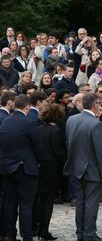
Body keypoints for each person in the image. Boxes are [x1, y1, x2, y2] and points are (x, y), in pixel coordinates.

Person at [63, 93, 102, 241]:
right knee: (91, 203)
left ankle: (80, 233)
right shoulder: (96, 124)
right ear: (94, 105)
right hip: (92, 169)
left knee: (81, 203)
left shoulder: (71, 119)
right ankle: (89, 234)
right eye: (99, 103)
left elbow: (68, 143)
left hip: (76, 167)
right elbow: (100, 152)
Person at [0, 95, 44, 241]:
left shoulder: (5, 122)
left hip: (7, 169)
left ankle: (10, 234)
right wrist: (36, 161)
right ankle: (26, 236)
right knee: (26, 204)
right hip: (26, 169)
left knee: (10, 203)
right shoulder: (29, 123)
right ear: (27, 107)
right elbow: (39, 147)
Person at [38, 103, 67, 240]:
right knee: (48, 202)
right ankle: (44, 231)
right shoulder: (56, 132)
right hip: (52, 170)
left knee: (41, 200)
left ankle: (38, 228)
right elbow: (59, 153)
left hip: (40, 168)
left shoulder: (39, 129)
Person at [0, 91, 15, 241]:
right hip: (5, 164)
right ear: (10, 102)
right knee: (4, 199)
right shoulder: (5, 119)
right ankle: (4, 231)